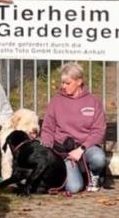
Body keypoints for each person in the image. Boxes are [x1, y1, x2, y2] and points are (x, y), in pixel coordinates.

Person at [40, 63, 106, 193]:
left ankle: (95, 174)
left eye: (67, 83)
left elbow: (99, 131)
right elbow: (47, 127)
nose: (63, 86)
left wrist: (81, 149)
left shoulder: (93, 101)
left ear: (79, 81)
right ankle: (73, 172)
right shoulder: (56, 101)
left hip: (86, 147)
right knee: (74, 188)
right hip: (64, 151)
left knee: (99, 158)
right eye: (62, 83)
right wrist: (46, 149)